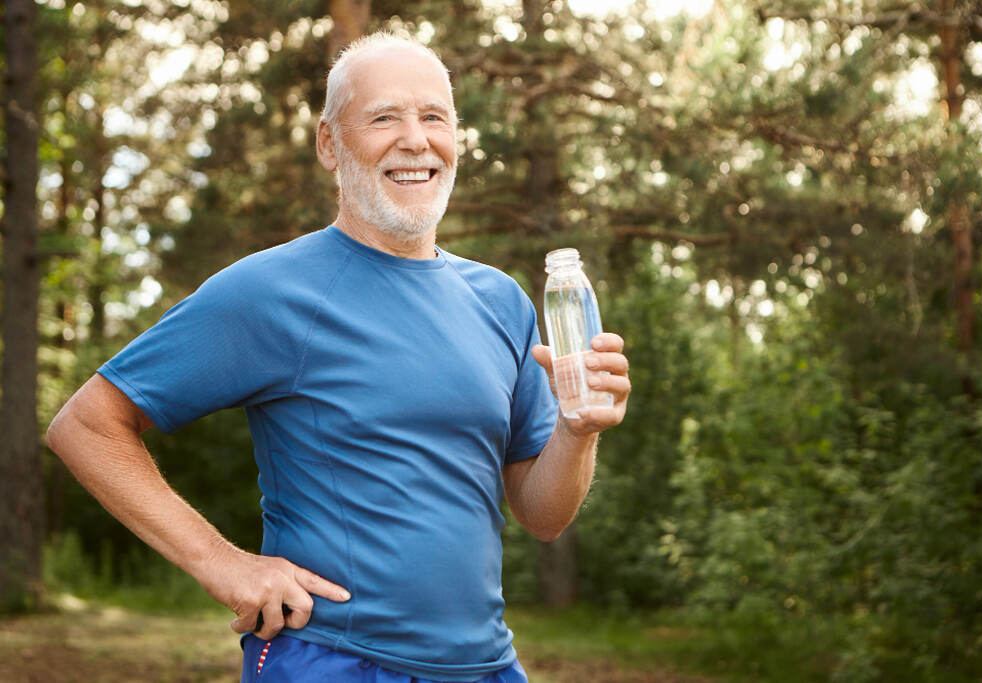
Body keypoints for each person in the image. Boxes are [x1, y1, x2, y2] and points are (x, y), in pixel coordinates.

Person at [46, 32, 631, 683]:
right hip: (335, 661)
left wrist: (577, 432)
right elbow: (85, 424)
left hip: (486, 664)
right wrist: (224, 564)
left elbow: (542, 513)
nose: (415, 139)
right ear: (329, 142)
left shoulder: (502, 301)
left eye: (434, 116)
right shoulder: (271, 291)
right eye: (385, 117)